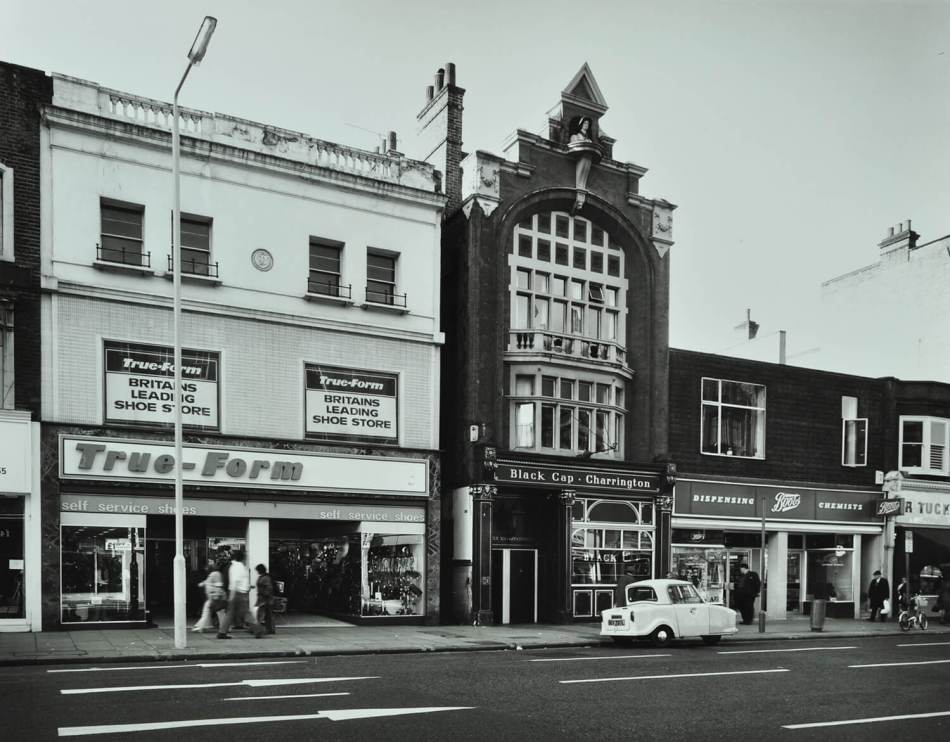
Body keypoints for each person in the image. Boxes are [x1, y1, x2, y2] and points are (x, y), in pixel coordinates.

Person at [218, 551, 264, 639]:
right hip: (238, 593)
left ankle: (222, 632)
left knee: (230, 613)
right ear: (242, 558)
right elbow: (235, 581)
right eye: (245, 558)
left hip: (235, 592)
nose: (246, 560)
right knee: (246, 613)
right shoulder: (239, 567)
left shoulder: (235, 566)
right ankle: (258, 630)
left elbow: (237, 581)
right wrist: (233, 594)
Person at [192, 560, 226, 632]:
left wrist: (216, 595)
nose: (206, 569)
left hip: (215, 597)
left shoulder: (215, 574)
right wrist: (202, 584)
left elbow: (218, 585)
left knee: (217, 612)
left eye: (207, 567)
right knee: (219, 613)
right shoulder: (214, 574)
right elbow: (208, 582)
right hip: (213, 597)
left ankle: (200, 626)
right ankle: (201, 626)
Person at [255, 563, 276, 635]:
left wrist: (265, 594)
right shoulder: (265, 577)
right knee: (268, 615)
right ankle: (270, 629)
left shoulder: (265, 578)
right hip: (265, 598)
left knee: (261, 615)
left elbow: (268, 588)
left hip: (265, 599)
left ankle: (259, 629)